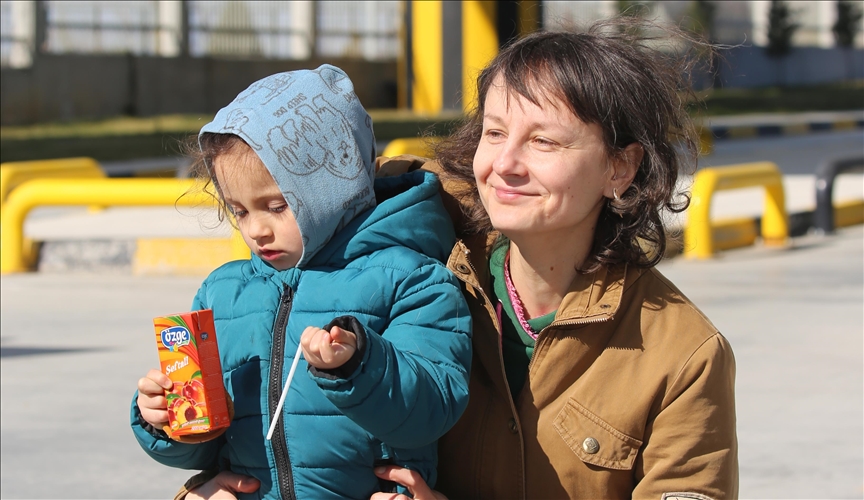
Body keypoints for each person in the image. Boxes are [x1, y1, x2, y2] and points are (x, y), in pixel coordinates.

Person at [186, 18, 739, 500]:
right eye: (494, 133)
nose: (505, 164)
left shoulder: (682, 356)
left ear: (620, 168)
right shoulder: (409, 266)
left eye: (544, 142)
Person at [131, 64, 472, 500]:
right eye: (239, 210)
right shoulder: (222, 292)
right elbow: (205, 450)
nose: (256, 230)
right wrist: (167, 421)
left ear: (335, 187)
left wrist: (358, 365)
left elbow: (433, 406)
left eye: (276, 207)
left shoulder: (410, 279)